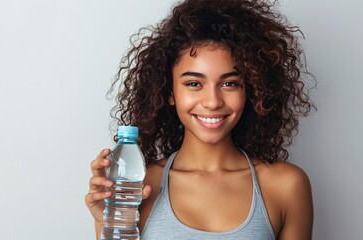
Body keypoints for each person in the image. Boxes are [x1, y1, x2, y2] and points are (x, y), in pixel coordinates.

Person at [85, 0, 315, 239]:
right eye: (194, 84)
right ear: (169, 92)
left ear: (251, 90)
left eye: (230, 83)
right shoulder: (141, 187)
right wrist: (106, 224)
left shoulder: (286, 186)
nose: (213, 101)